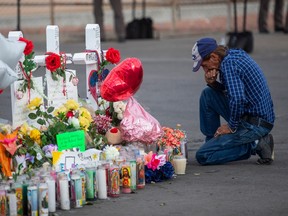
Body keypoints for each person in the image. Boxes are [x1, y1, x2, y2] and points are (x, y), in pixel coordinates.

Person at [191, 37, 275, 165]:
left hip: (256, 124)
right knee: (208, 94)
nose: (205, 70)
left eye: (204, 65)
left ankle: (255, 143)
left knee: (204, 156)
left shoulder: (229, 65)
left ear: (213, 57)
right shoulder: (232, 55)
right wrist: (213, 84)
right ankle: (211, 141)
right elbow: (233, 92)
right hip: (253, 116)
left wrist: (231, 126)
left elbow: (237, 99)